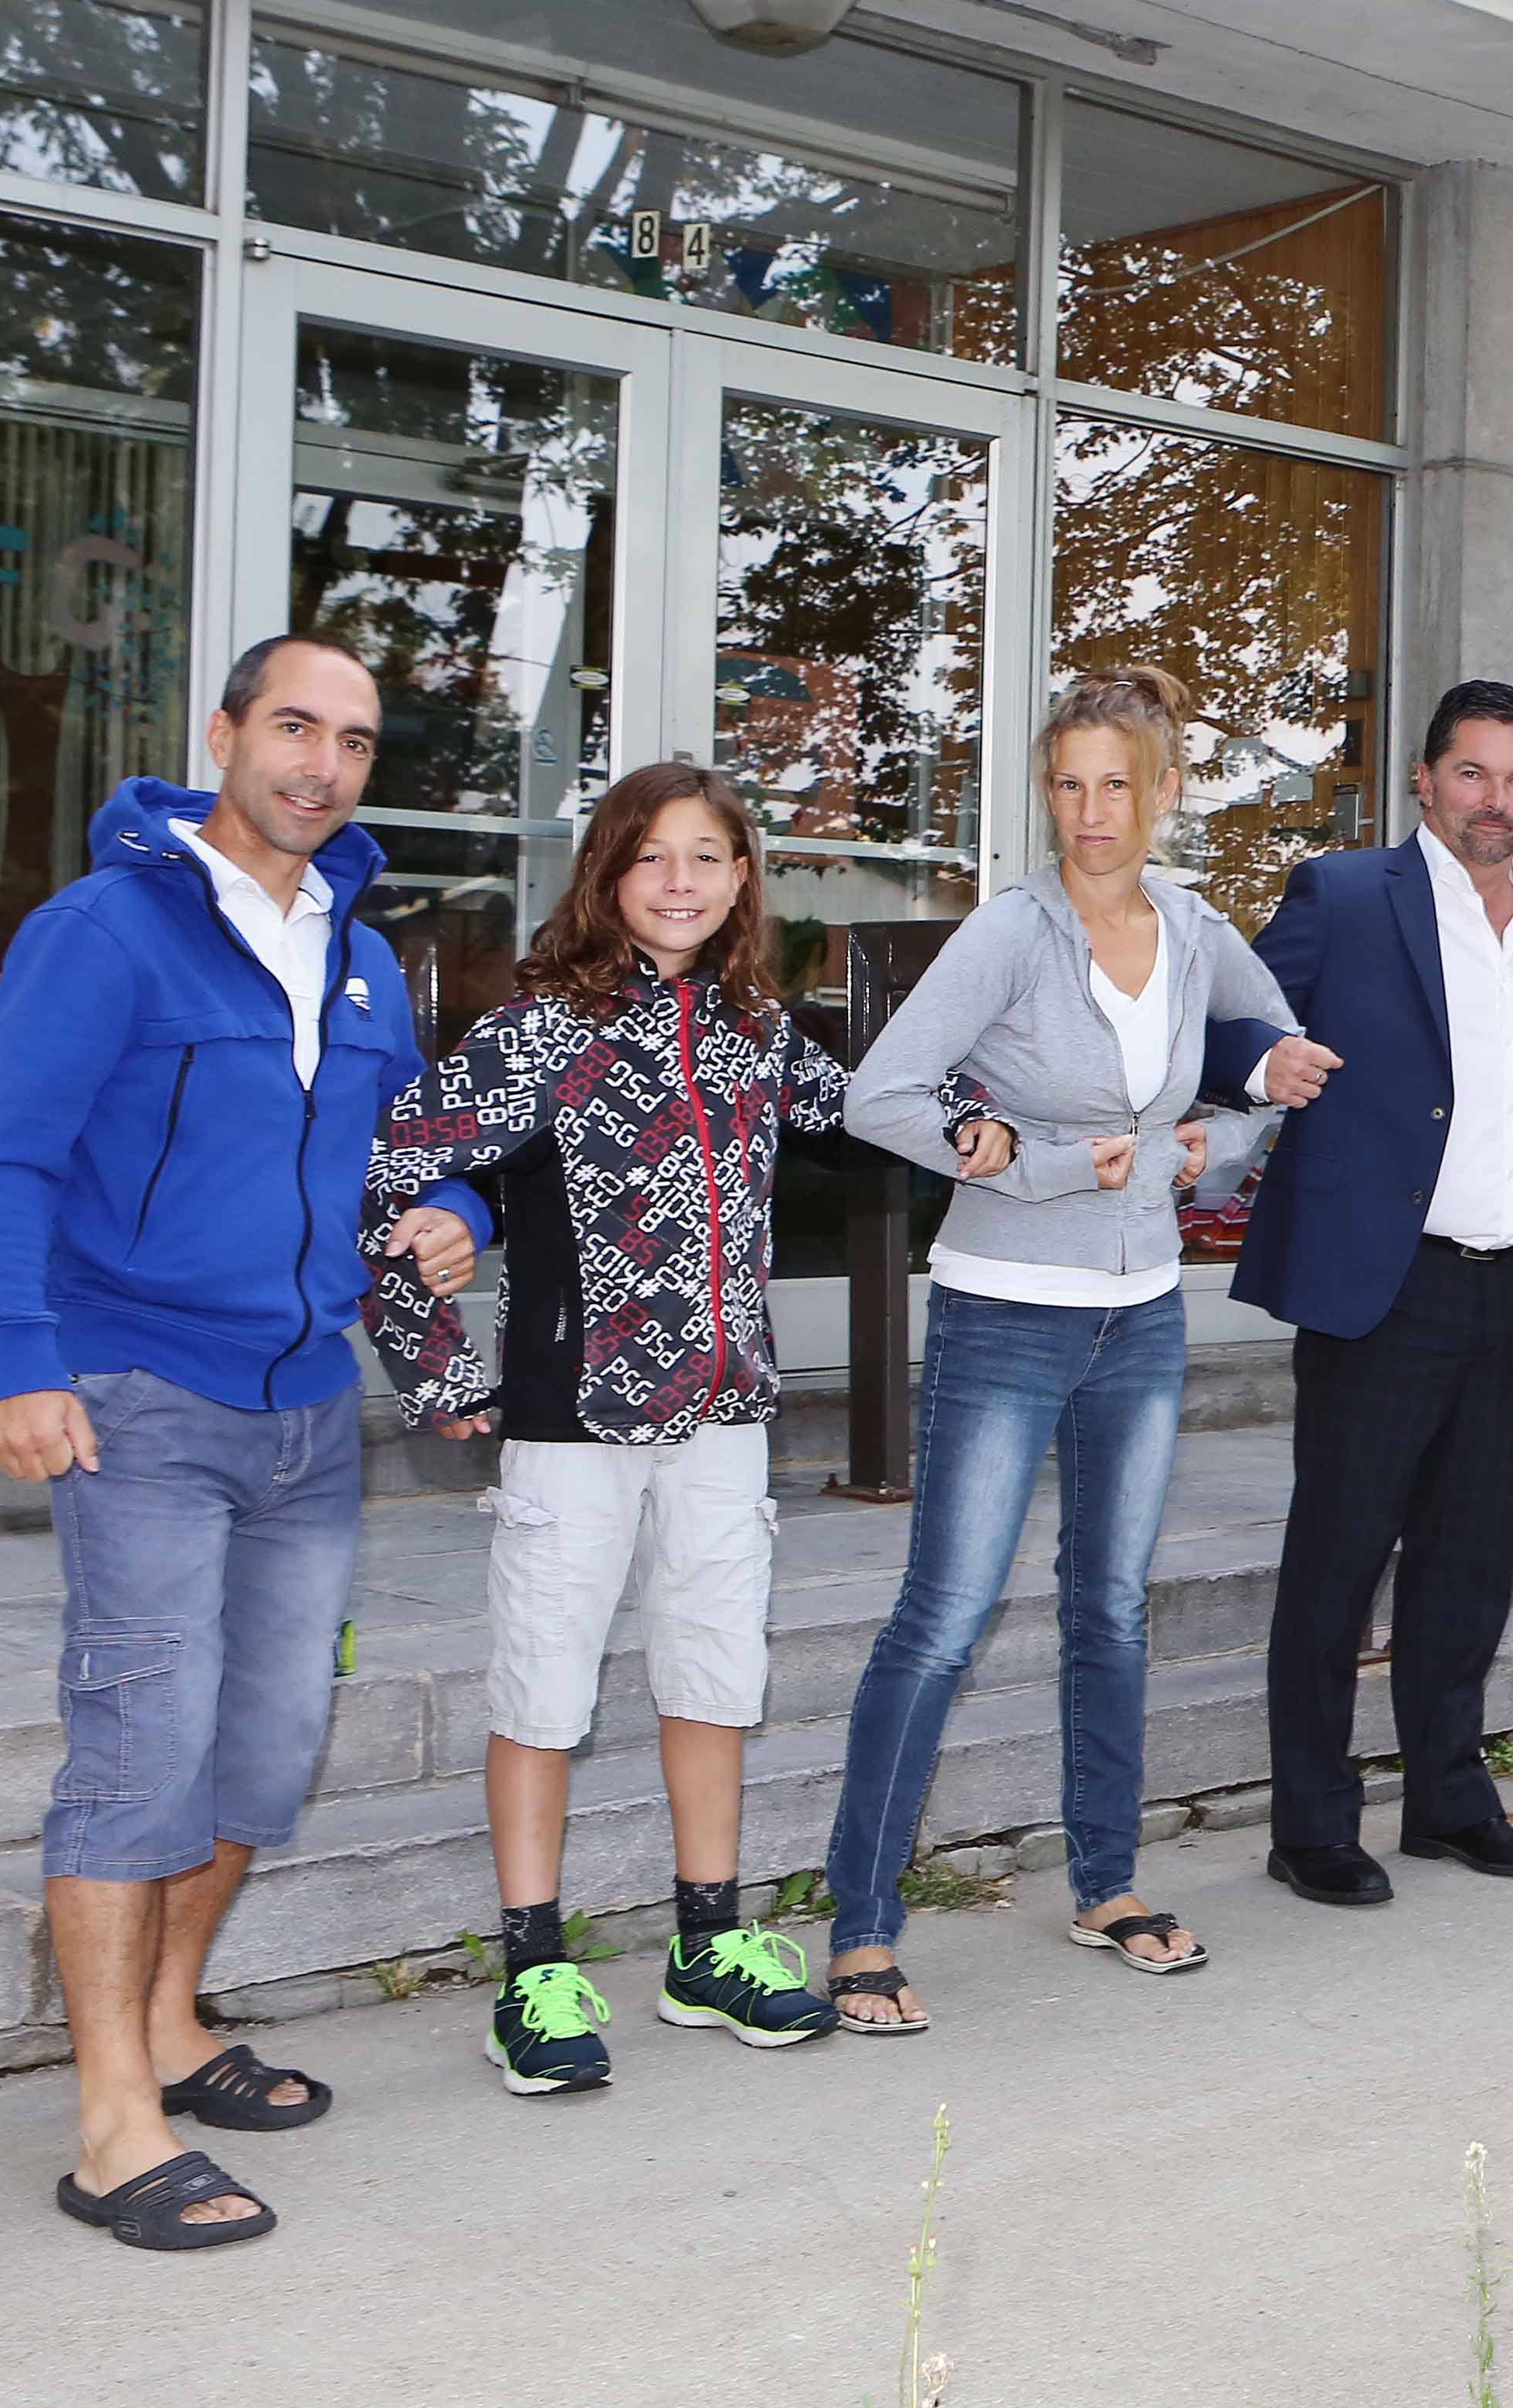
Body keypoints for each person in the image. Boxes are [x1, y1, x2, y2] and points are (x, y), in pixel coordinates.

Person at [0, 631, 485, 2249]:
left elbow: (406, 1153)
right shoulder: (103, 930)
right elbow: (8, 1164)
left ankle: (174, 2027)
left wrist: (450, 1209)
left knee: (260, 1754)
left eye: (356, 742)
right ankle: (110, 2126)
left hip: (310, 1409)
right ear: (228, 731)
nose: (321, 764)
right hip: (134, 1403)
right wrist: (16, 1355)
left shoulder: (362, 954)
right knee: (139, 1752)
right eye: (295, 727)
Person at [361, 763, 983, 2091]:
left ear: (745, 877)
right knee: (544, 1681)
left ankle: (709, 1940)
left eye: (709, 855)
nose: (682, 879)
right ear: (606, 875)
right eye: (652, 856)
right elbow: (406, 1163)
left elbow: (868, 1111)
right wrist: (437, 1361)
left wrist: (992, 1121)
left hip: (723, 1415)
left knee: (713, 1673)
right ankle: (533, 1963)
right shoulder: (539, 1031)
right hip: (570, 1420)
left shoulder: (756, 1028)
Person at [810, 669, 1333, 2019]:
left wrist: (1231, 1128)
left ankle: (1107, 1882)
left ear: (1162, 793)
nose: (1090, 811)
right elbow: (879, 1095)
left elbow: (1282, 1065)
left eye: (1116, 784)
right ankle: (862, 1926)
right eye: (1067, 783)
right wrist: (1032, 1162)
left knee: (1110, 1605)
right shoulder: (1008, 932)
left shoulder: (1201, 925)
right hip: (1002, 1312)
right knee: (943, 1619)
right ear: (1044, 793)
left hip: (1142, 1313)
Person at [1225, 679, 1513, 1905]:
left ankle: (1449, 1798)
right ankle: (1311, 1822)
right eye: (1474, 775)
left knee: (1469, 1560)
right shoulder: (1348, 895)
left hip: (1505, 1285)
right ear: (1426, 780)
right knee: (1340, 1558)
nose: (1496, 803)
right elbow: (1233, 1016)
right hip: (1383, 1284)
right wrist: (1262, 1066)